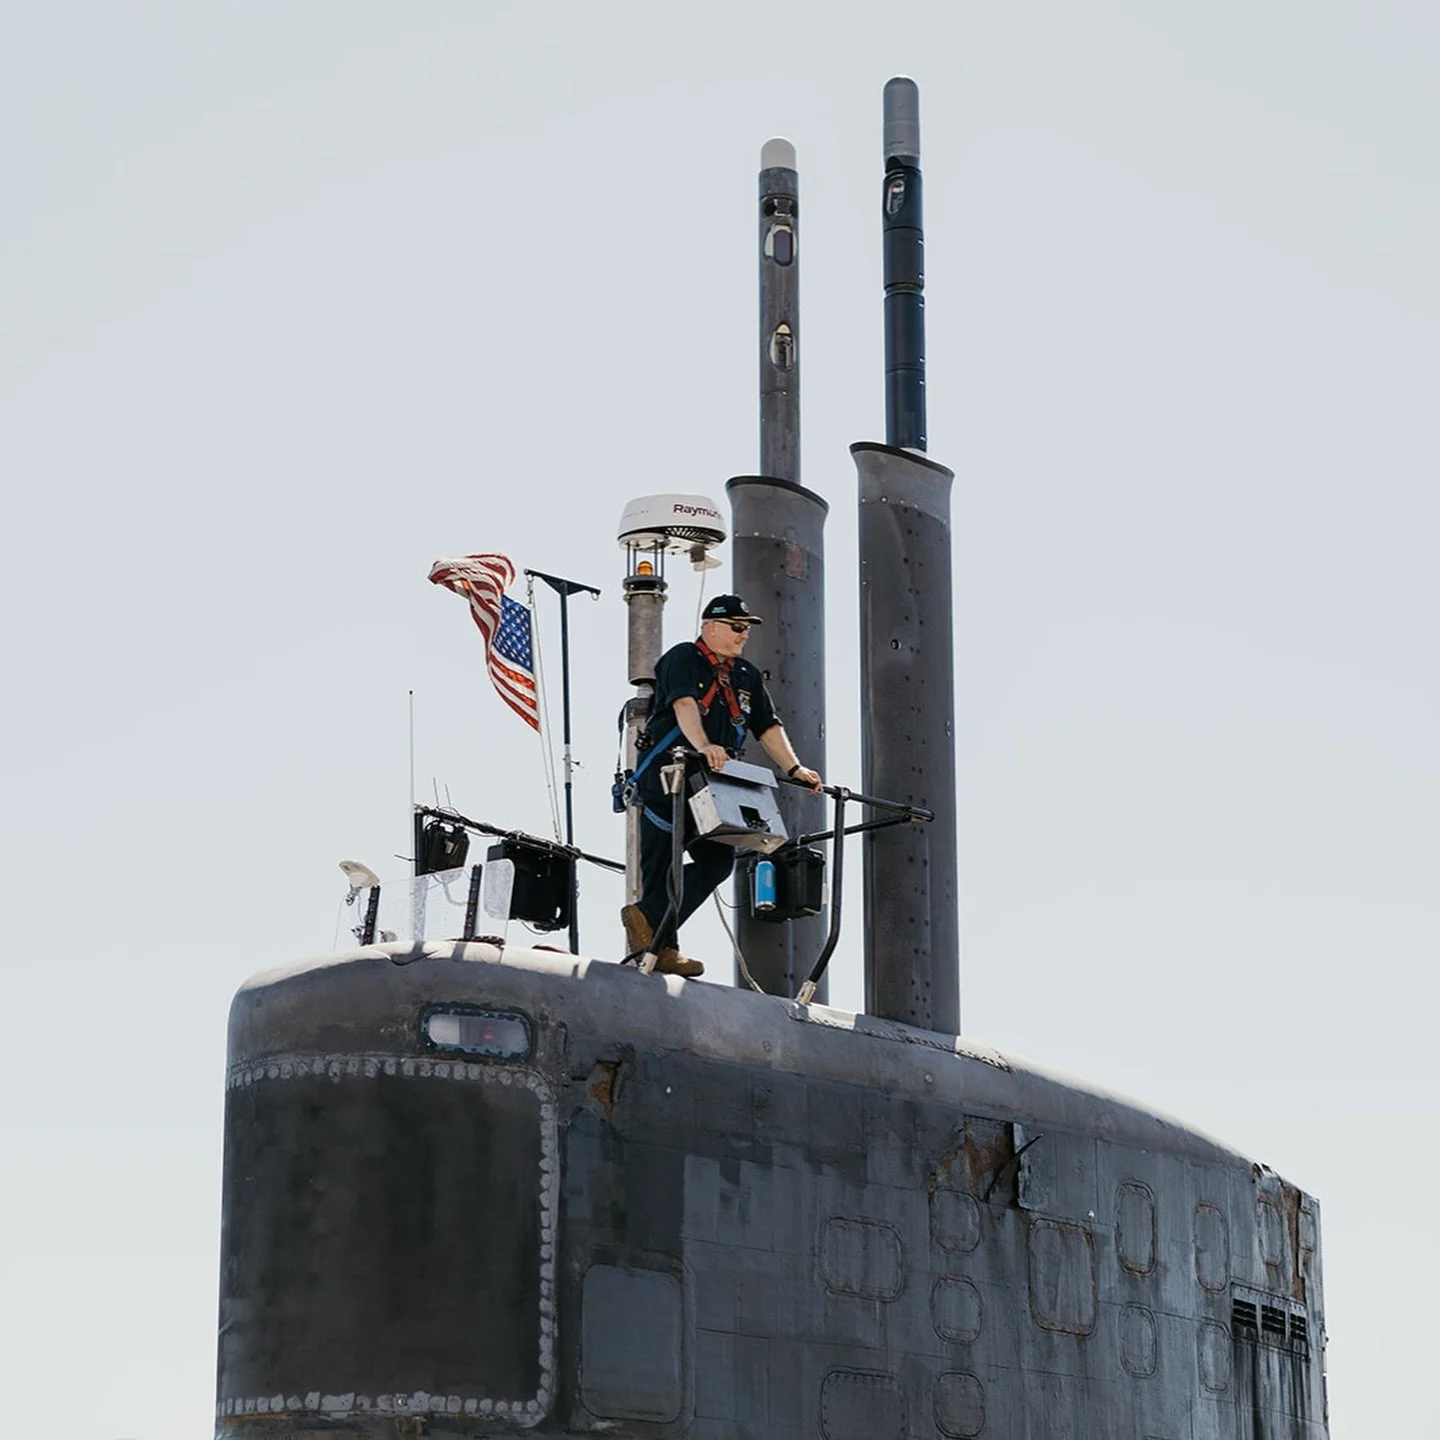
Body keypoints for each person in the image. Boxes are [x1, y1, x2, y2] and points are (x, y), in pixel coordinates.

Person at [622, 594, 822, 977]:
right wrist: (703, 745)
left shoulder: (745, 675)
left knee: (717, 862)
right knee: (661, 864)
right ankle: (663, 945)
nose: (743, 635)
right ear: (710, 627)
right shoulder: (683, 657)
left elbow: (767, 726)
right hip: (670, 777)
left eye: (746, 628)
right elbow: (683, 705)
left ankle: (650, 920)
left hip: (712, 782)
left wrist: (795, 768)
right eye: (737, 627)